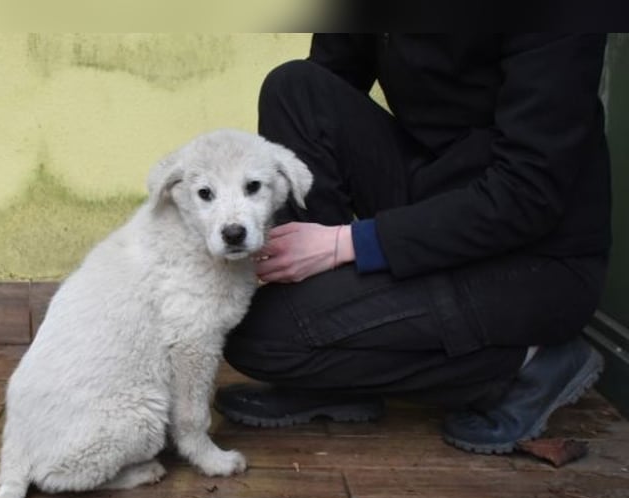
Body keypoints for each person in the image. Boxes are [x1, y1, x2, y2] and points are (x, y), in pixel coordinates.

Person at [214, 34, 611, 454]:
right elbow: (328, 86)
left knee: (263, 339)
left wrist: (345, 242)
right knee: (294, 89)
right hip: (436, 198)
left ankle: (529, 363)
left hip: (536, 260)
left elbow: (527, 195)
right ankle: (325, 373)